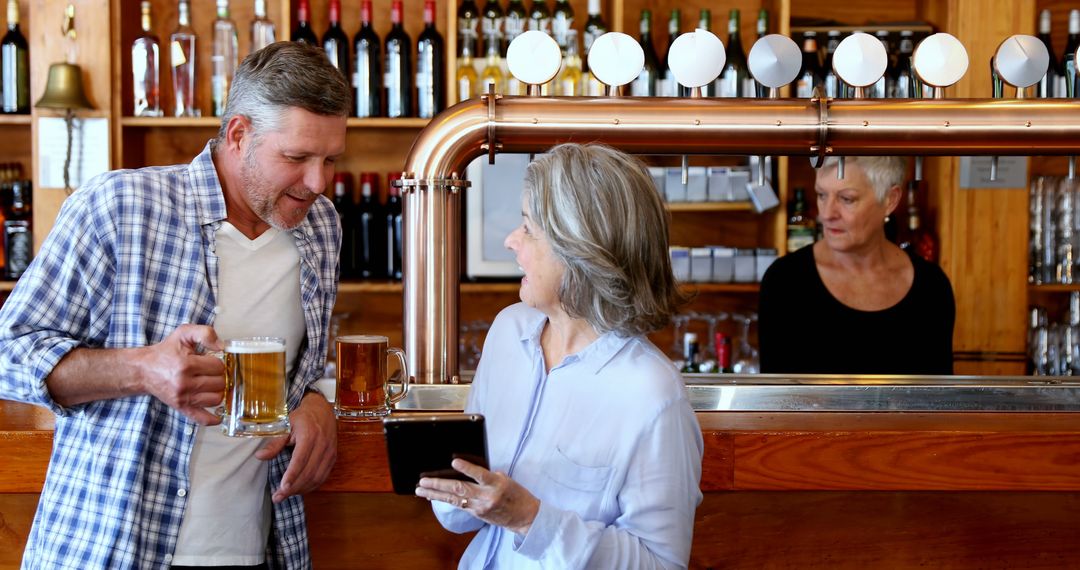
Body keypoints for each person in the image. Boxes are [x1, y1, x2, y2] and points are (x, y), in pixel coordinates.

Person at [0, 42, 349, 569]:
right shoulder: (119, 206)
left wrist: (318, 402)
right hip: (112, 549)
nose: (318, 183)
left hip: (256, 549)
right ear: (238, 135)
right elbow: (8, 352)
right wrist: (143, 369)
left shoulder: (320, 227)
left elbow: (298, 374)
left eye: (329, 160)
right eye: (297, 158)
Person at [416, 144, 704, 569]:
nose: (511, 241)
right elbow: (461, 519)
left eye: (529, 228)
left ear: (583, 251)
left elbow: (660, 563)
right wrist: (456, 487)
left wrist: (530, 519)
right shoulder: (508, 331)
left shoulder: (652, 396)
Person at [758, 156, 955, 375]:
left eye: (846, 199)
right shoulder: (786, 281)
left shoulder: (931, 287)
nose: (826, 214)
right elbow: (775, 401)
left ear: (890, 200)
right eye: (822, 195)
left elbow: (937, 400)